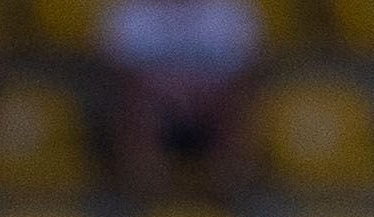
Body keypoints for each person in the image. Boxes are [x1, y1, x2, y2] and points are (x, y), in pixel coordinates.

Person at [97, 0, 260, 194]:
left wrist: (198, 93)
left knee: (235, 105)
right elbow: (118, 76)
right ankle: (147, 192)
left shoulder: (229, 11)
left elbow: (243, 76)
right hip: (152, 105)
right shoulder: (129, 12)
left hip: (211, 105)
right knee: (135, 105)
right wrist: (169, 92)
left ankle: (227, 191)